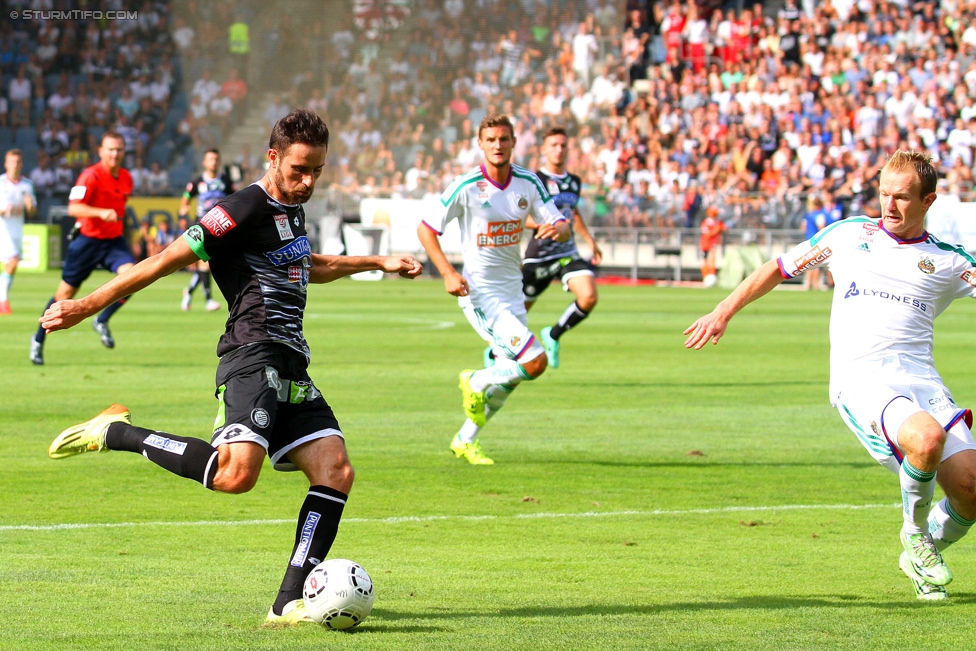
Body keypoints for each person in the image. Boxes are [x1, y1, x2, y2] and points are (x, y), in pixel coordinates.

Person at [41, 109, 423, 624]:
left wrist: (377, 263)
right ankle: (116, 433)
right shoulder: (238, 210)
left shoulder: (292, 208)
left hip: (290, 361)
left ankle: (286, 602)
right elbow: (162, 261)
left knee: (335, 469)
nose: (308, 181)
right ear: (273, 158)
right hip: (251, 354)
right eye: (299, 170)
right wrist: (85, 306)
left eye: (317, 171)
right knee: (234, 475)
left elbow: (308, 265)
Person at [684, 151, 976, 602]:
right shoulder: (847, 236)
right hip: (863, 380)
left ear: (929, 200)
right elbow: (778, 269)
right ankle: (914, 535)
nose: (889, 206)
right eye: (884, 195)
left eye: (902, 197)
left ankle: (924, 552)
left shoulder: (948, 261)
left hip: (922, 381)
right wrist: (723, 311)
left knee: (971, 489)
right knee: (926, 439)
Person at [417, 114, 571, 465]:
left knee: (513, 376)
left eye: (504, 139)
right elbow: (426, 230)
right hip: (480, 293)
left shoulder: (528, 182)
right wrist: (447, 273)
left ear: (514, 141)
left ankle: (464, 439)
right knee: (535, 360)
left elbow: (558, 222)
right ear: (480, 144)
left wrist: (559, 230)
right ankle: (475, 379)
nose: (498, 145)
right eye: (491, 140)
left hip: (512, 291)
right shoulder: (466, 185)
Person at [30, 132, 135, 365]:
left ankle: (102, 320)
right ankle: (38, 340)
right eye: (110, 149)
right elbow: (73, 209)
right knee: (63, 296)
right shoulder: (90, 175)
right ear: (101, 151)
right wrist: (100, 212)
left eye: (119, 149)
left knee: (134, 277)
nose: (115, 154)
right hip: (87, 242)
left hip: (113, 242)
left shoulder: (127, 177)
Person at [519, 126, 602, 369]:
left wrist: (590, 241)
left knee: (588, 296)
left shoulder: (574, 181)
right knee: (517, 315)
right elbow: (519, 216)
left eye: (563, 145)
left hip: (567, 252)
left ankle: (553, 335)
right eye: (553, 145)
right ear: (543, 149)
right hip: (540, 255)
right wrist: (543, 224)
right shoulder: (534, 180)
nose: (559, 150)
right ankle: (494, 353)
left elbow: (572, 213)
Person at [179, 149, 235, 312]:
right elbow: (186, 196)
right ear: (204, 162)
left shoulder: (225, 181)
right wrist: (184, 208)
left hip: (222, 226)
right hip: (202, 225)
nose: (213, 162)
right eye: (210, 159)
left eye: (216, 159)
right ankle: (209, 299)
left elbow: (236, 198)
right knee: (207, 262)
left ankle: (189, 292)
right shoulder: (197, 182)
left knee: (208, 263)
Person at [0, 149, 37, 314]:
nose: (14, 165)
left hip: (17, 229)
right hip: (3, 228)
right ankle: (3, 300)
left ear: (21, 164)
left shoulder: (27, 185)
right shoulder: (1, 183)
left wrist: (30, 207)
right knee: (13, 261)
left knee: (11, 265)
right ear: (6, 164)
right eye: (11, 162)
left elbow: (32, 211)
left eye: (17, 162)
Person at [699, 206, 725, 287]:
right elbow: (707, 234)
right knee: (705, 262)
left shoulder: (718, 222)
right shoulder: (706, 222)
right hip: (705, 245)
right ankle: (706, 278)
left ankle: (711, 278)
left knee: (712, 262)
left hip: (713, 245)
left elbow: (725, 228)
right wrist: (716, 230)